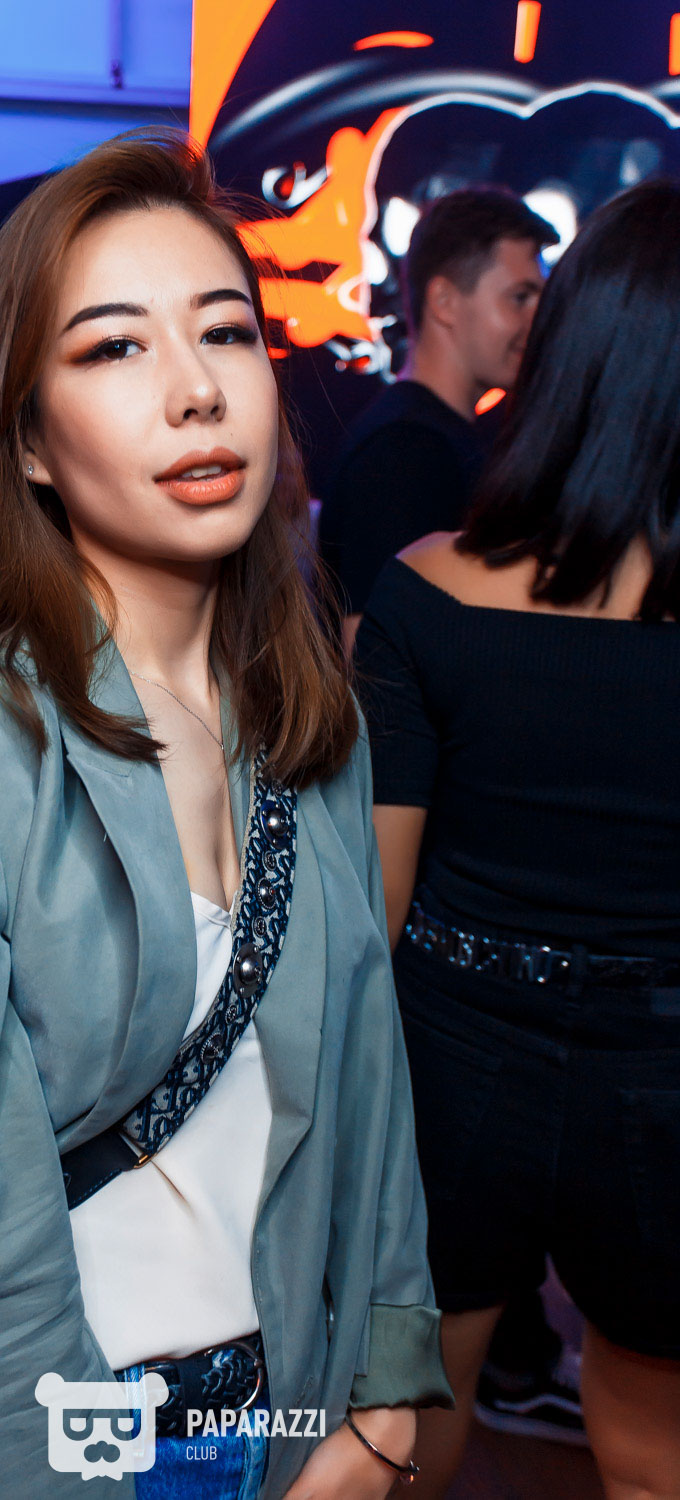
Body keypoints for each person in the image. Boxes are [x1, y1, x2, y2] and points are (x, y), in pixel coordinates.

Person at [0, 130, 451, 1500]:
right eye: (115, 348)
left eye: (226, 332)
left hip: (286, 1421)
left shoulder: (305, 715)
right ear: (27, 438)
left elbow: (369, 1082)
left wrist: (385, 1401)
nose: (196, 390)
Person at [354, 179, 680, 1500]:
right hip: (665, 1078)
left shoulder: (426, 589)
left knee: (398, 1439)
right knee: (651, 1461)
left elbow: (371, 913)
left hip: (450, 1064)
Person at [319, 188, 556, 651]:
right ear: (445, 301)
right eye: (520, 298)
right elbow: (369, 657)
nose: (538, 320)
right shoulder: (404, 451)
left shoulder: (434, 439)